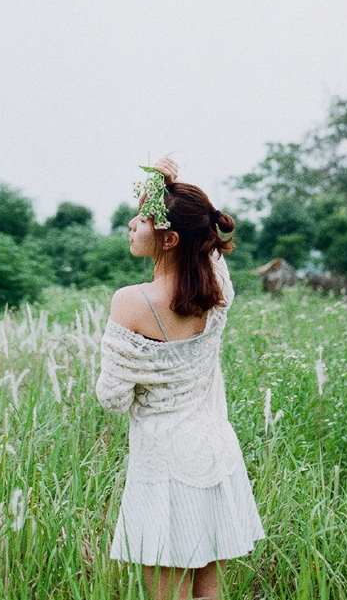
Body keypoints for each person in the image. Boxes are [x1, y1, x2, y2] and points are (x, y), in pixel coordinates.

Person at [96, 158, 265, 600]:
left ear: (169, 238)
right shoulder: (217, 293)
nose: (133, 223)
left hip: (165, 466)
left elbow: (112, 398)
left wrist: (142, 373)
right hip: (215, 453)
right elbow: (201, 239)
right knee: (210, 593)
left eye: (145, 218)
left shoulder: (130, 301)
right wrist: (163, 189)